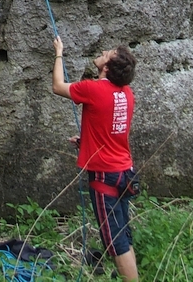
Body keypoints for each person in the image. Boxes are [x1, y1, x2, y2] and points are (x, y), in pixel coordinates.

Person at [52, 35, 139, 281]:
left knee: (114, 240)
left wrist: (59, 51)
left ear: (106, 68)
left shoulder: (94, 89)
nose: (103, 52)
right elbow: (111, 129)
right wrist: (86, 142)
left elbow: (58, 86)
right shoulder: (126, 93)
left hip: (105, 175)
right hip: (123, 171)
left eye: (107, 54)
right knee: (122, 232)